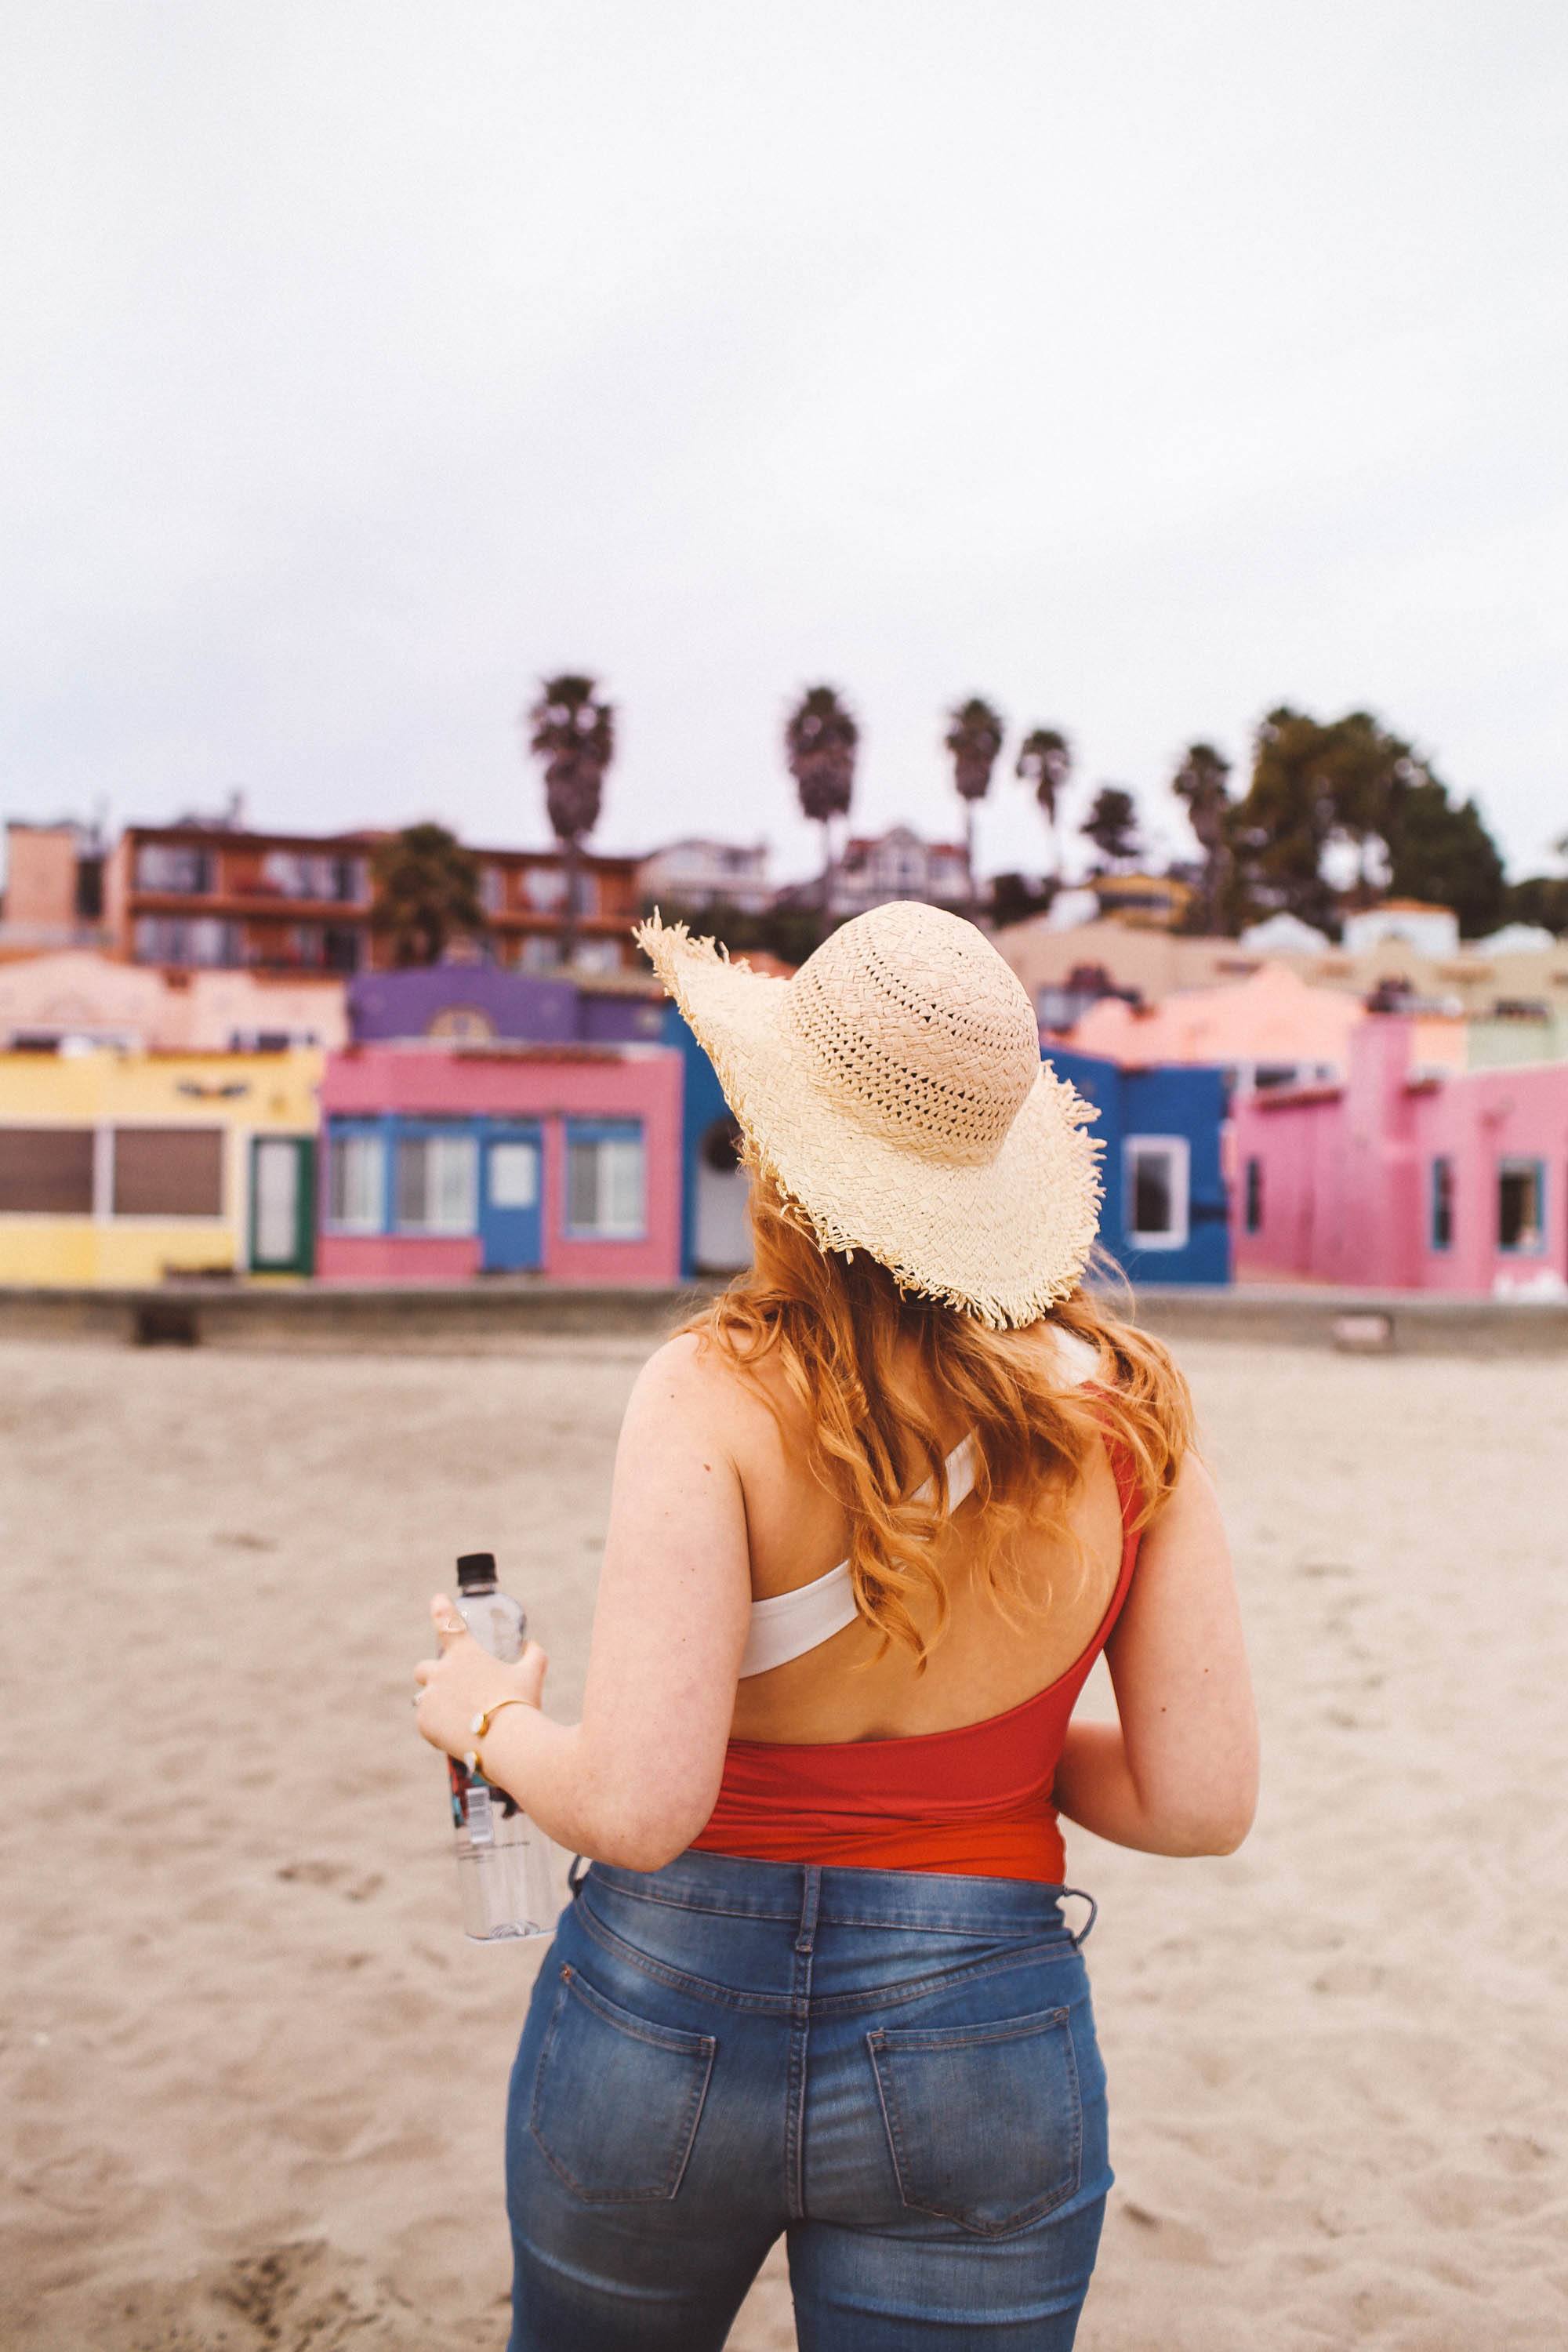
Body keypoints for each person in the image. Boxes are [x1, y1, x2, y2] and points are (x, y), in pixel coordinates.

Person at [414, 900, 1258, 2351]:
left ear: (782, 1153)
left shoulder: (712, 1388)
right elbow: (1199, 1804)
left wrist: (480, 1715)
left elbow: (637, 1804)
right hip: (979, 2034)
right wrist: (995, 1760)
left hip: (661, 2019)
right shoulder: (1131, 1415)